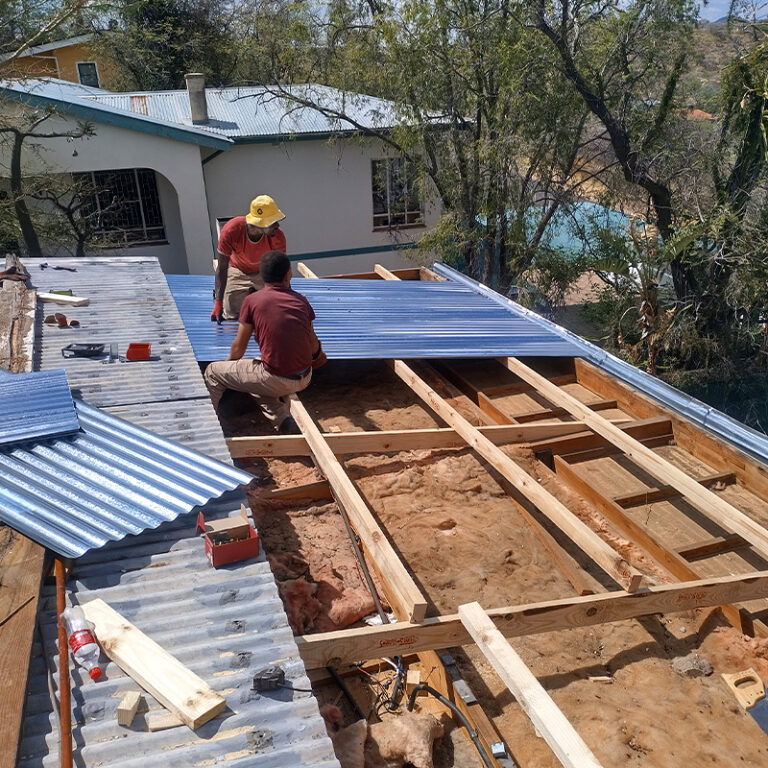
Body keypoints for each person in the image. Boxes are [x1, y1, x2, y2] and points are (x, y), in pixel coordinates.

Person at [204, 250, 326, 433]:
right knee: (253, 376)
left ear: (262, 276)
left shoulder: (252, 301)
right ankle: (283, 420)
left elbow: (239, 348)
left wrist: (228, 370)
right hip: (305, 377)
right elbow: (313, 343)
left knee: (213, 371)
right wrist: (316, 358)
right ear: (289, 274)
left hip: (275, 378)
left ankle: (208, 427)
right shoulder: (301, 300)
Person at [211, 194, 287, 322]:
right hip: (237, 269)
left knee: (273, 308)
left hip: (264, 271)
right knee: (231, 311)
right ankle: (247, 294)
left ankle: (252, 294)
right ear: (259, 223)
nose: (277, 226)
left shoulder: (277, 236)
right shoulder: (231, 230)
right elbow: (222, 268)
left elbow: (281, 270)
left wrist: (286, 297)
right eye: (273, 222)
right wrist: (218, 303)